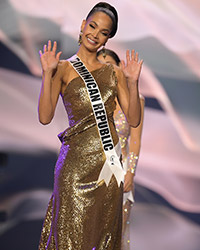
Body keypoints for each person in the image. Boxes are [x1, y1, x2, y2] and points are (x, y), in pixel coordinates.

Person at [38, 2, 143, 249]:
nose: (95, 34)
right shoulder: (63, 68)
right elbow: (44, 116)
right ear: (83, 25)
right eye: (92, 26)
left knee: (103, 238)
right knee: (69, 237)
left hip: (108, 169)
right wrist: (46, 74)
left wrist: (133, 82)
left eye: (103, 32)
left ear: (108, 38)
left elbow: (134, 119)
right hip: (74, 169)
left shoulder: (113, 72)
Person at [97, 48, 145, 249]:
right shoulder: (90, 100)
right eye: (99, 66)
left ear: (118, 68)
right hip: (91, 172)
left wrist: (130, 173)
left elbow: (135, 139)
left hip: (121, 172)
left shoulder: (135, 101)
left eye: (109, 66)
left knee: (115, 234)